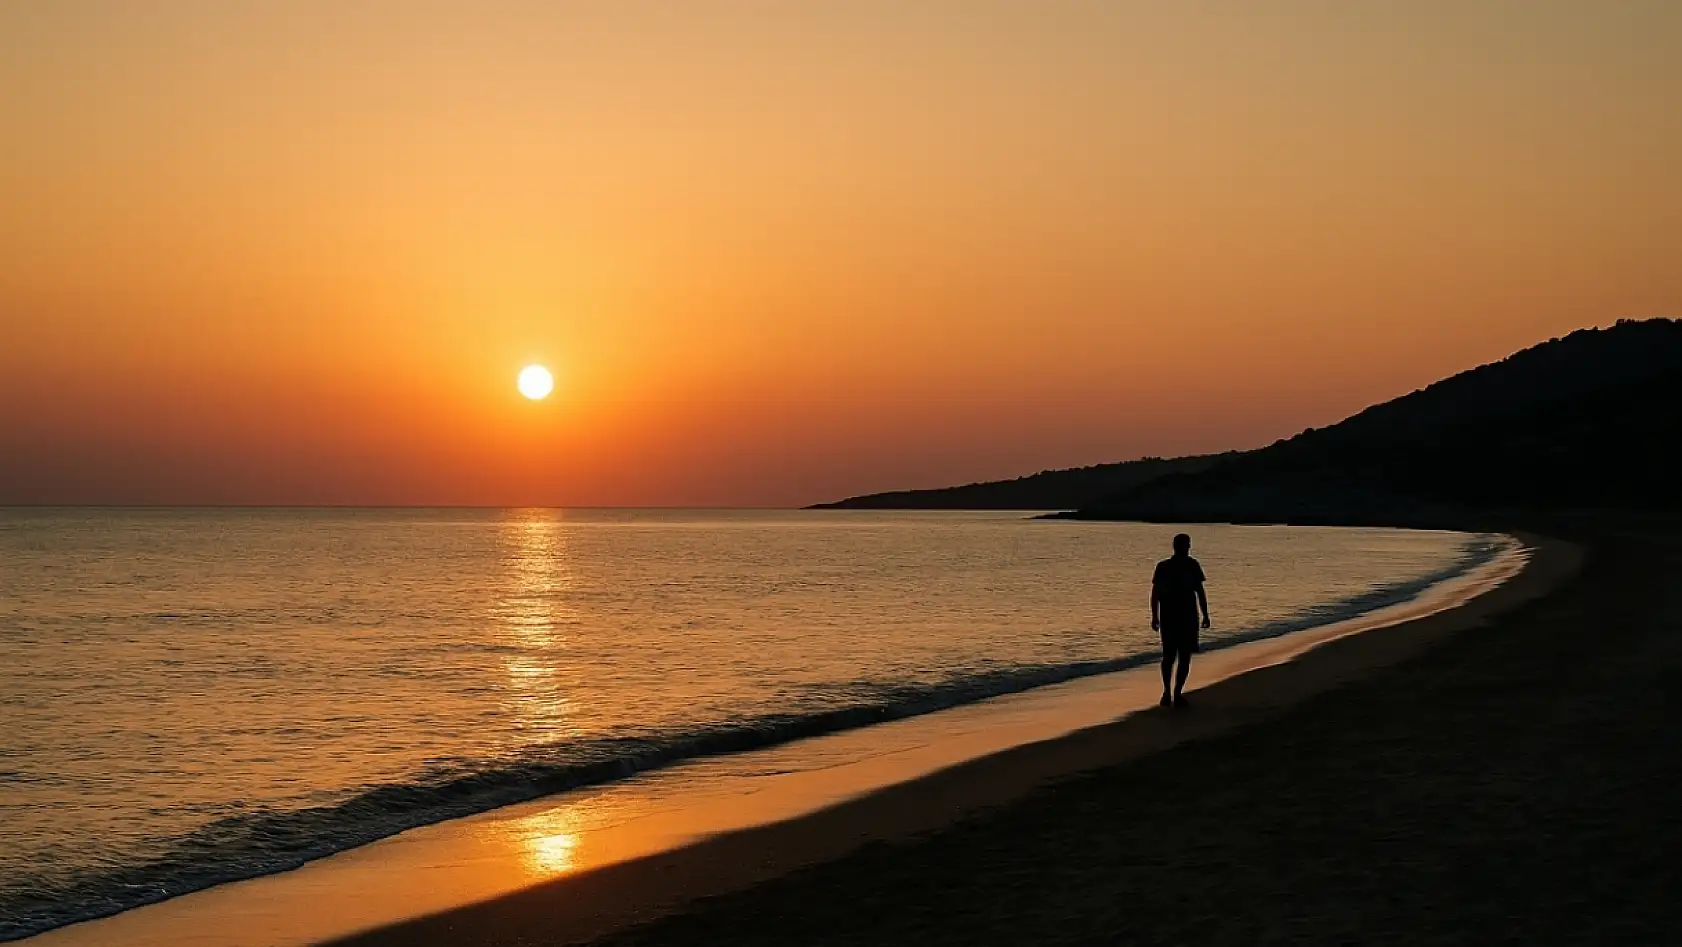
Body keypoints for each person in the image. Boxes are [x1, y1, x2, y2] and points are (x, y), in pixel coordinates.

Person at [1151, 532, 1210, 708]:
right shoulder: (1185, 566)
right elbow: (1199, 592)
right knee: (1180, 657)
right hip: (1182, 617)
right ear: (1184, 546)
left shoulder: (1168, 566)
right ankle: (1172, 692)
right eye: (1187, 544)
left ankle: (1171, 692)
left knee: (1172, 656)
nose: (1188, 547)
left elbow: (1155, 594)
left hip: (1174, 617)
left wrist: (1154, 615)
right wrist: (1206, 614)